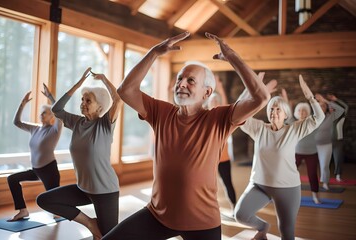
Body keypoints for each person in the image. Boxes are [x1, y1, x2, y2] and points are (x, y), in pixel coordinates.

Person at [102, 32, 270, 240]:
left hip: (203, 222)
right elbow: (125, 90)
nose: (181, 84)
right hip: (157, 216)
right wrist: (154, 52)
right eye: (180, 78)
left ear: (207, 93)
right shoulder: (161, 112)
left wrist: (233, 58)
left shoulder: (220, 118)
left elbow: (261, 97)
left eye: (191, 81)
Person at [234, 75, 325, 240]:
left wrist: (309, 96)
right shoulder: (259, 128)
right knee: (240, 215)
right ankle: (263, 228)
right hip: (259, 185)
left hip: (288, 189)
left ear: (286, 114)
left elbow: (319, 118)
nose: (273, 112)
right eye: (270, 108)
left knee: (287, 233)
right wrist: (251, 92)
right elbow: (236, 113)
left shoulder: (294, 129)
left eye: (278, 109)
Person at [37, 68, 122, 240]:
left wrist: (104, 78)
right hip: (83, 188)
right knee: (44, 200)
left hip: (105, 190)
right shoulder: (76, 122)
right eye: (82, 99)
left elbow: (118, 99)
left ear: (100, 107)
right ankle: (91, 223)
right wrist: (78, 85)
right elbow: (57, 109)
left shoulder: (105, 124)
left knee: (108, 237)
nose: (83, 103)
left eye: (88, 100)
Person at [8, 84, 62, 221]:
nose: (41, 114)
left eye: (45, 112)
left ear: (52, 116)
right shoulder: (35, 129)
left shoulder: (54, 130)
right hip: (36, 170)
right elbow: (16, 122)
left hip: (49, 170)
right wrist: (23, 103)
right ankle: (23, 210)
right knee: (12, 179)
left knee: (56, 208)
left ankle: (62, 210)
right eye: (41, 112)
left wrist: (50, 97)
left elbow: (60, 111)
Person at [207, 76, 237, 211]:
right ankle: (208, 208)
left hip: (223, 159)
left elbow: (225, 104)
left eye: (216, 100)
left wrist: (219, 87)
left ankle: (234, 207)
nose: (214, 102)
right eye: (212, 100)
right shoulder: (204, 116)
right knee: (207, 185)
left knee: (227, 184)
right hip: (208, 159)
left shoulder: (222, 117)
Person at [314, 93, 344, 190]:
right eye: (319, 106)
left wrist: (325, 100)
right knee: (312, 166)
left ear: (326, 108)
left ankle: (325, 182)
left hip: (326, 145)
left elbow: (341, 110)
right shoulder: (313, 117)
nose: (321, 108)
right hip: (313, 146)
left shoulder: (330, 117)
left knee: (324, 165)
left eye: (323, 106)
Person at [294, 102, 321, 204]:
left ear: (308, 112)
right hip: (297, 152)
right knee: (289, 172)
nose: (302, 112)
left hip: (311, 152)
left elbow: (319, 116)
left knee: (312, 174)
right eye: (300, 110)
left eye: (304, 110)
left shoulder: (312, 123)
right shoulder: (294, 123)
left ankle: (315, 196)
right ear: (297, 112)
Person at [326, 94, 348, 182]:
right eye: (330, 107)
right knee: (325, 160)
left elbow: (346, 107)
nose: (331, 108)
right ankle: (325, 176)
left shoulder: (341, 116)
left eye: (333, 107)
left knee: (338, 159)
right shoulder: (326, 117)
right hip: (327, 141)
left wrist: (336, 99)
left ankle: (338, 175)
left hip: (338, 141)